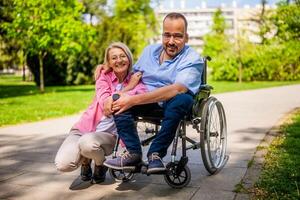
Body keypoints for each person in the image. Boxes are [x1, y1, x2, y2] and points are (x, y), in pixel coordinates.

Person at [103, 12, 204, 174]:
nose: (171, 41)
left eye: (177, 36)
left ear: (186, 37)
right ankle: (134, 154)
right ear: (162, 35)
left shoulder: (192, 59)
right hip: (145, 101)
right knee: (119, 103)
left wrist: (133, 100)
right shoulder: (149, 51)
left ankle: (155, 154)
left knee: (182, 99)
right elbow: (131, 78)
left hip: (171, 103)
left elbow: (176, 89)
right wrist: (115, 92)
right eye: (167, 35)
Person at [54, 42, 148, 183]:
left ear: (129, 58)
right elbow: (106, 106)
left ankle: (99, 164)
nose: (119, 60)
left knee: (87, 144)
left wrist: (132, 85)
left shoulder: (137, 80)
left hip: (108, 136)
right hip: (83, 128)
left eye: (123, 56)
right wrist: (129, 87)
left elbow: (142, 96)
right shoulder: (104, 77)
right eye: (114, 58)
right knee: (63, 164)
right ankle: (85, 161)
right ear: (109, 62)